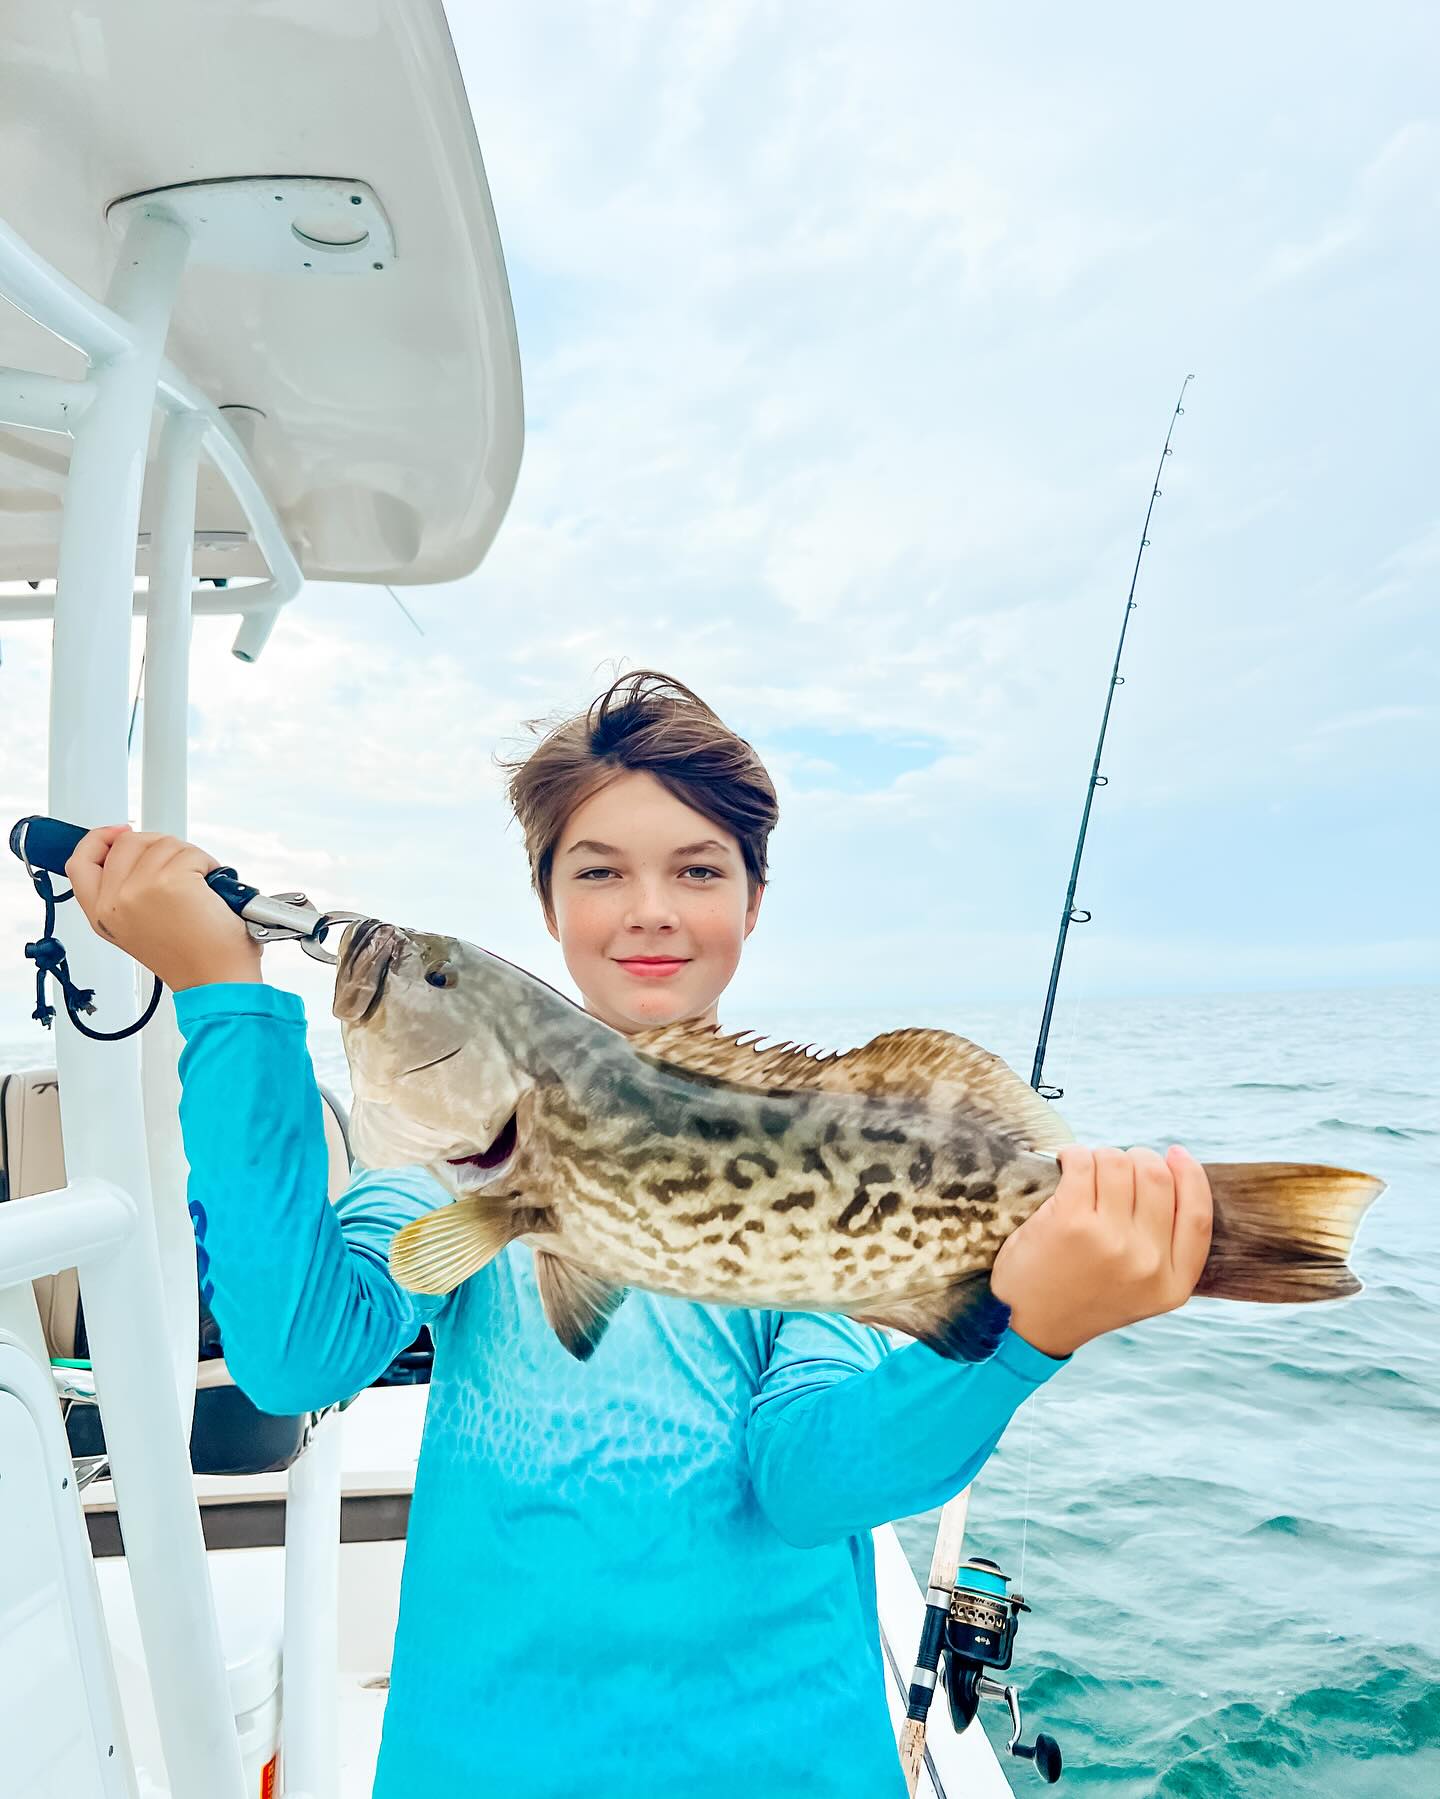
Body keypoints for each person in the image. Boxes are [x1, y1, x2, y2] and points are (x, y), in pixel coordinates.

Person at [66, 669, 1212, 1797]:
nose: (651, 907)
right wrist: (225, 996)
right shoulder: (446, 1166)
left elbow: (809, 1483)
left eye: (698, 869)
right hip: (481, 1761)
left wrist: (1030, 1334)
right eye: (600, 869)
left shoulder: (809, 1157)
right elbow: (293, 1356)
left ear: (753, 900)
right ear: (549, 903)